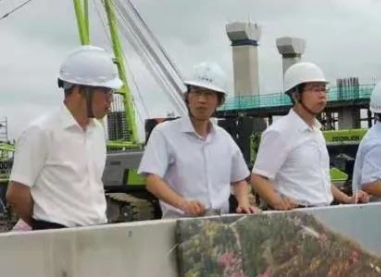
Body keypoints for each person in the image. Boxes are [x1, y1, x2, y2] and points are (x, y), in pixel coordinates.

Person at [7, 45, 120, 230]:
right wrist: (42, 228)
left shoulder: (97, 131)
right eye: (106, 91)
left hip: (97, 232)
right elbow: (16, 194)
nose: (111, 99)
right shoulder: (41, 132)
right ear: (80, 90)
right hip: (56, 234)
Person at [139, 62, 258, 218]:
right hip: (180, 223)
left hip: (221, 223)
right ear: (187, 97)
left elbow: (239, 179)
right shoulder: (164, 133)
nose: (201, 100)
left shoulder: (224, 139)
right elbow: (152, 180)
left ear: (219, 101)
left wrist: (243, 202)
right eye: (196, 92)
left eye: (208, 94)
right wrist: (183, 203)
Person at [251, 61, 369, 209]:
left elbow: (320, 182)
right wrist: (278, 202)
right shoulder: (280, 132)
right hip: (298, 214)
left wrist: (347, 199)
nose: (322, 95)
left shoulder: (316, 131)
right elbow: (258, 178)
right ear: (296, 95)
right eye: (315, 89)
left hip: (324, 211)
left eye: (323, 89)